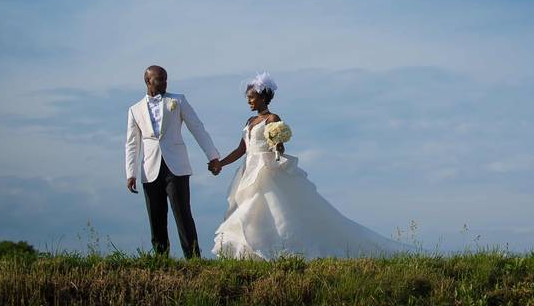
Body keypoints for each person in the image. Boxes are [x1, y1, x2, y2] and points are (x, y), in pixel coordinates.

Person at [210, 72, 410, 259]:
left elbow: (278, 147)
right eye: (248, 97)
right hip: (248, 170)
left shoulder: (273, 119)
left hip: (265, 170)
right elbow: (241, 149)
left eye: (251, 97)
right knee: (248, 210)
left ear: (262, 97)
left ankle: (277, 248)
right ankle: (250, 252)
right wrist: (221, 163)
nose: (248, 101)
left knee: (265, 208)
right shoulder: (250, 120)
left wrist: (278, 145)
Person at [125, 65, 221, 258]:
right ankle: (161, 259)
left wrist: (212, 156)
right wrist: (131, 173)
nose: (164, 83)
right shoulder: (135, 110)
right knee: (156, 216)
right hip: (150, 168)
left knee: (183, 214)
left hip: (176, 167)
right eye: (160, 79)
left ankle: (193, 258)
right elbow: (132, 144)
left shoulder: (178, 100)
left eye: (166, 79)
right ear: (148, 81)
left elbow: (197, 127)